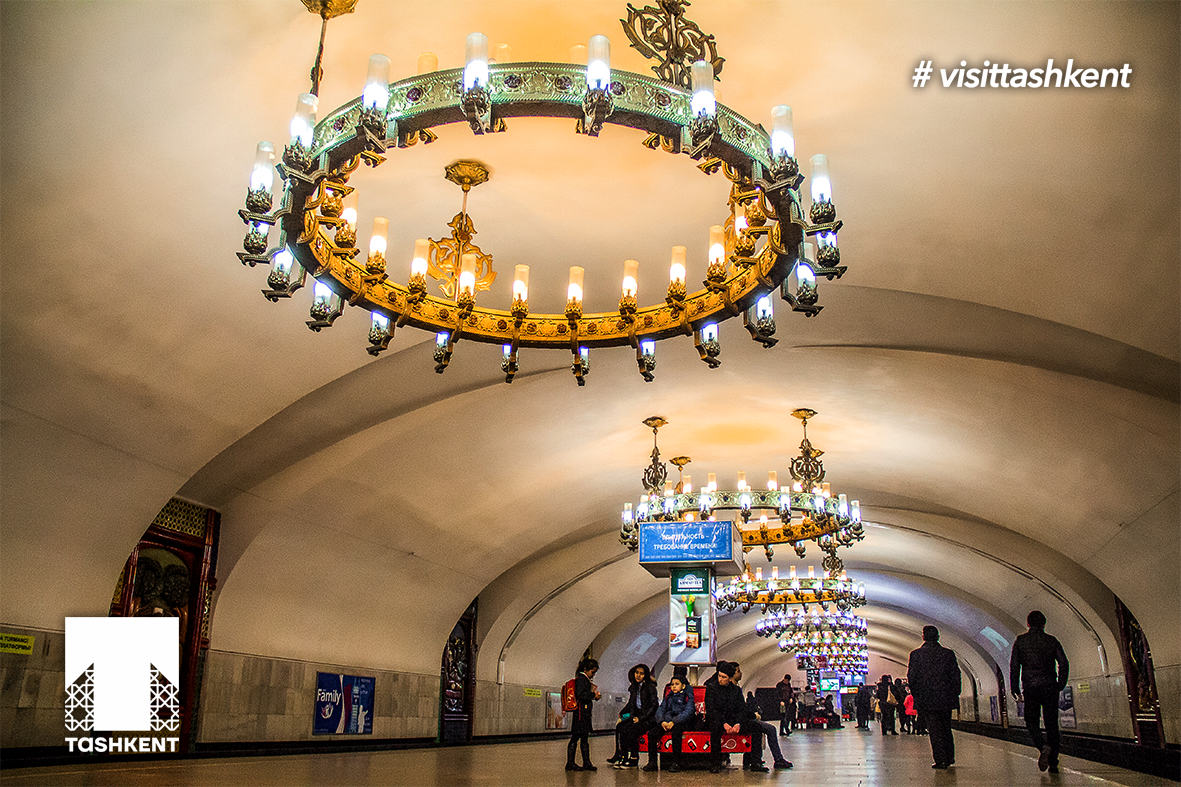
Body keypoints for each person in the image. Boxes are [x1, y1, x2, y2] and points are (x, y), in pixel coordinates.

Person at [1010, 610, 1069, 774]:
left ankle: (1042, 746)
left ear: (1028, 624)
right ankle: (1053, 763)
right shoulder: (1051, 641)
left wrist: (1014, 688)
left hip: (1031, 687)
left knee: (1031, 721)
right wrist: (1060, 684)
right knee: (1052, 724)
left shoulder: (1021, 641)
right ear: (1044, 624)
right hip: (1050, 686)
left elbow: (1014, 666)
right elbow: (1064, 663)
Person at [907, 625, 962, 770]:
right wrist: (955, 693)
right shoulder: (948, 654)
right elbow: (956, 675)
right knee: (946, 727)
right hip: (946, 698)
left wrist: (917, 695)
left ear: (923, 637)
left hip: (927, 699)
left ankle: (940, 759)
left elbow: (912, 677)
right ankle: (949, 756)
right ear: (938, 637)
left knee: (934, 729)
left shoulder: (916, 655)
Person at [737, 669, 793, 770]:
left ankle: (753, 759)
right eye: (738, 671)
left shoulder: (736, 689)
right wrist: (753, 715)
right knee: (768, 728)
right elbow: (740, 710)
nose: (741, 673)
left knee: (776, 723)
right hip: (742, 721)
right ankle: (776, 759)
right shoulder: (734, 690)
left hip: (744, 719)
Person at [704, 661, 749, 773]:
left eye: (723, 677)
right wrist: (724, 723)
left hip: (732, 720)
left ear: (730, 679)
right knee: (715, 729)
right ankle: (715, 763)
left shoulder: (736, 691)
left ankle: (754, 761)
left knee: (755, 727)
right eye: (719, 676)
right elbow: (711, 710)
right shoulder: (711, 688)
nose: (720, 679)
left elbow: (741, 709)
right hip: (717, 720)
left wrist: (738, 723)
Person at [649, 673, 696, 772]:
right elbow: (661, 709)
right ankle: (652, 762)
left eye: (677, 684)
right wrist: (662, 721)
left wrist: (674, 722)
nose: (674, 686)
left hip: (681, 722)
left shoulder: (688, 697)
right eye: (672, 684)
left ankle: (676, 762)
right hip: (666, 721)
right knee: (652, 733)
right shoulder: (668, 697)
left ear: (683, 686)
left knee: (676, 734)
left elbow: (688, 712)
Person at [615, 663, 659, 769]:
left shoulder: (650, 687)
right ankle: (623, 756)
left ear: (645, 675)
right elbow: (632, 703)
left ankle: (634, 758)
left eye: (641, 674)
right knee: (621, 727)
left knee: (632, 730)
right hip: (636, 716)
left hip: (648, 719)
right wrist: (624, 713)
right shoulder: (634, 687)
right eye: (637, 673)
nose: (638, 675)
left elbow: (654, 706)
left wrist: (640, 718)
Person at [565, 657, 600, 771]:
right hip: (581, 714)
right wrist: (593, 695)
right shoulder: (581, 679)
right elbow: (580, 694)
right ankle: (571, 763)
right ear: (585, 670)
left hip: (583, 713)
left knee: (584, 738)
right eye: (592, 672)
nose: (593, 675)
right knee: (576, 737)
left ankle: (586, 762)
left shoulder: (583, 679)